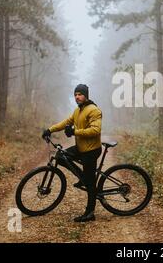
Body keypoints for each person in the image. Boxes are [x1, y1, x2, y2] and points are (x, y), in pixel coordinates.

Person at [42, 84, 102, 223]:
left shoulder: (94, 110)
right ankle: (83, 178)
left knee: (91, 183)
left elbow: (95, 130)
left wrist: (75, 131)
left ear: (86, 95)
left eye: (80, 94)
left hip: (91, 150)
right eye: (75, 94)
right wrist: (50, 130)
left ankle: (90, 213)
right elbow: (66, 122)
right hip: (81, 148)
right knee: (60, 156)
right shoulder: (78, 111)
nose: (77, 97)